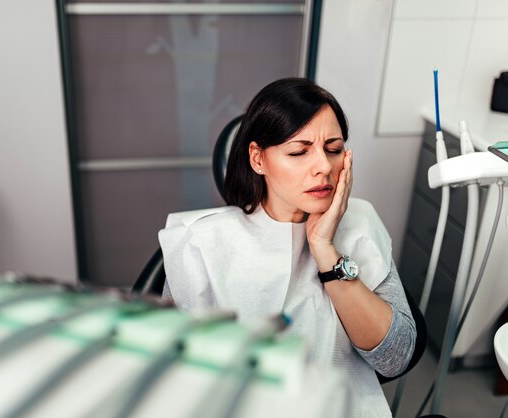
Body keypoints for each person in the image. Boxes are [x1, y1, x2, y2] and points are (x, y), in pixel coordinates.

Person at [158, 78, 415, 417]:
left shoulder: (361, 223)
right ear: (258, 159)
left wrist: (325, 250)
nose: (323, 166)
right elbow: (173, 375)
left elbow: (395, 356)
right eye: (299, 151)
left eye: (334, 149)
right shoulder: (203, 244)